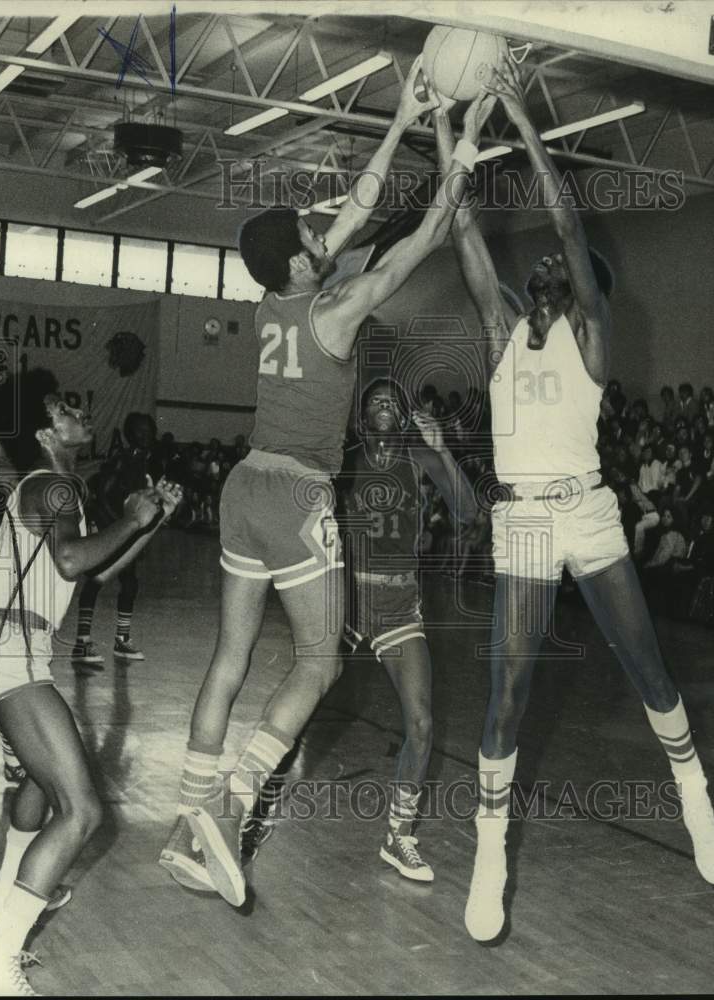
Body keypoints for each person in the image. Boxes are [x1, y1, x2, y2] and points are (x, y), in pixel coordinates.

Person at [159, 59, 495, 906]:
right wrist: (456, 171)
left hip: (243, 486)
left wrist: (404, 117)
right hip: (299, 495)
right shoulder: (335, 309)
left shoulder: (278, 301)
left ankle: (184, 824)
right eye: (310, 237)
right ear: (301, 261)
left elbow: (353, 213)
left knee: (230, 661)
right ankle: (228, 813)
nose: (323, 235)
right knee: (317, 664)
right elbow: (413, 243)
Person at [439, 55, 714, 942]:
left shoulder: (593, 343)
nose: (550, 284)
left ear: (582, 296)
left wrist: (525, 124)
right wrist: (449, 131)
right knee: (508, 691)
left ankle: (696, 801)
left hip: (590, 512)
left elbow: (565, 223)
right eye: (546, 281)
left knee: (648, 669)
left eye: (566, 281)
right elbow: (464, 234)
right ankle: (490, 853)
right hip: (524, 517)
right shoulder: (498, 335)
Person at [0, 369, 182, 996]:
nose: (80, 409)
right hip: (5, 645)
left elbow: (93, 573)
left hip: (4, 646)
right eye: (64, 407)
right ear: (45, 432)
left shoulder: (59, 490)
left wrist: (148, 519)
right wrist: (131, 517)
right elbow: (75, 558)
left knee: (38, 774)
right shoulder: (52, 486)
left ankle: (6, 894)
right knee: (81, 810)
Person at [336, 377, 476, 880]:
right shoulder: (345, 459)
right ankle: (251, 811)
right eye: (374, 401)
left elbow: (468, 511)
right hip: (348, 600)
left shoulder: (421, 459)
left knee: (421, 723)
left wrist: (444, 450)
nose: (383, 408)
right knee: (299, 712)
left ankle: (400, 836)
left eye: (392, 403)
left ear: (406, 415)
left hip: (399, 606)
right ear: (361, 414)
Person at [72, 412, 163, 668]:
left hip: (125, 530)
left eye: (149, 430)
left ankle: (122, 639)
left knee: (130, 582)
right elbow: (102, 494)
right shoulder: (122, 461)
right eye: (142, 431)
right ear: (131, 434)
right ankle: (82, 641)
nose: (147, 435)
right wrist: (118, 528)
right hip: (109, 529)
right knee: (96, 581)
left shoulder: (146, 462)